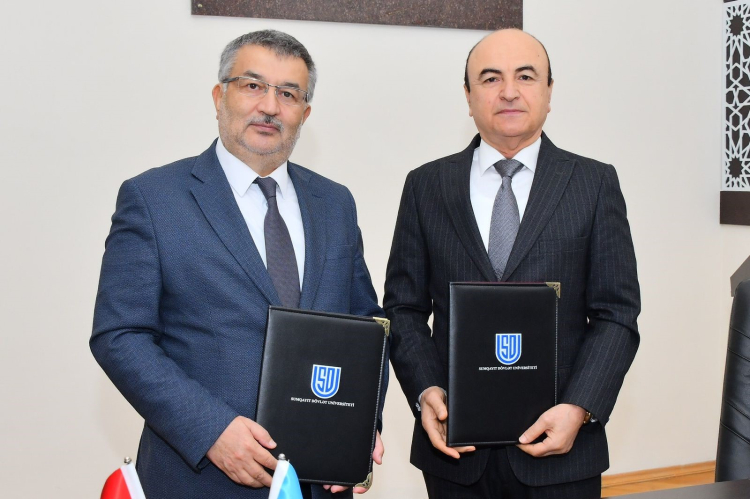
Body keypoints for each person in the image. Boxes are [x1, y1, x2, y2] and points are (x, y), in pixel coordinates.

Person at [91, 30, 384, 499]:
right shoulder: (153, 199)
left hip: (321, 480)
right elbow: (120, 336)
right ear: (219, 96)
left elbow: (366, 327)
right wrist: (211, 431)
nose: (269, 106)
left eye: (288, 94)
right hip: (200, 478)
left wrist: (361, 423)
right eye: (252, 85)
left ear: (304, 113)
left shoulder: (335, 203)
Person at [384, 28, 640, 498]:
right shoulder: (425, 186)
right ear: (468, 96)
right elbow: (404, 308)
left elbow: (616, 313)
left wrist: (579, 407)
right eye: (490, 78)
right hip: (455, 456)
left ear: (549, 91)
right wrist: (425, 391)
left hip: (563, 456)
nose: (508, 91)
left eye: (525, 76)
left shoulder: (594, 183)